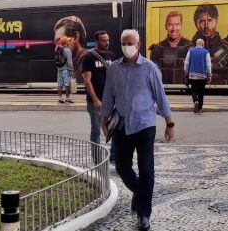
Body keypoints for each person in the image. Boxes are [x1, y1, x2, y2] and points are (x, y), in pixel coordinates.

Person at [101, 29, 174, 231]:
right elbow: (108, 95)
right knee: (123, 168)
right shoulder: (114, 68)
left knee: (146, 168)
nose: (126, 46)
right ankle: (141, 192)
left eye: (130, 42)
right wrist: (104, 119)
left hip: (145, 125)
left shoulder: (150, 68)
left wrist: (169, 123)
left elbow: (161, 96)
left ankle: (144, 214)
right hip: (122, 125)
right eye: (123, 43)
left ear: (139, 45)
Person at [190, 3, 228, 85]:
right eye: (202, 21)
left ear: (216, 21)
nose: (206, 25)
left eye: (209, 20)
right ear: (196, 24)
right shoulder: (186, 50)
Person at [81, 30, 115, 163]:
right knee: (96, 130)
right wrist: (95, 99)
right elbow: (87, 80)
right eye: (103, 40)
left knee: (113, 129)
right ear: (96, 41)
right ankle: (96, 158)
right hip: (95, 101)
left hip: (110, 99)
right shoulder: (89, 57)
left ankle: (113, 156)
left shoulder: (111, 55)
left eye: (107, 40)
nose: (106, 43)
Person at [148, 11, 192, 84]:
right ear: (166, 26)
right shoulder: (157, 49)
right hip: (164, 90)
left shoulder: (190, 47)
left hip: (186, 91)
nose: (174, 28)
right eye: (170, 24)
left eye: (177, 24)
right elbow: (154, 74)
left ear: (181, 25)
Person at [183, 39, 212, 113]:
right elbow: (208, 65)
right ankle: (200, 108)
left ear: (196, 44)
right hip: (202, 76)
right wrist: (209, 75)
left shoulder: (191, 51)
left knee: (194, 90)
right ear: (202, 44)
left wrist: (186, 73)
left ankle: (195, 101)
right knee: (201, 91)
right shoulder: (206, 52)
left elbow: (186, 63)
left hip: (192, 75)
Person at [55, 37, 75, 104]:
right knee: (67, 85)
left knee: (60, 85)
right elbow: (69, 61)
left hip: (59, 70)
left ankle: (60, 98)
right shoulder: (67, 50)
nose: (69, 42)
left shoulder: (58, 50)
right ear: (65, 43)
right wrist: (71, 70)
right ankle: (67, 98)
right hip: (66, 70)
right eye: (68, 41)